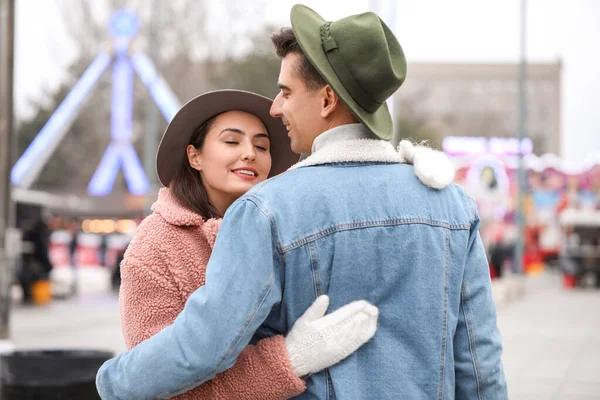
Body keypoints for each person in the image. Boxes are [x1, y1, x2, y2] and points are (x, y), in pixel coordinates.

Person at [97, 5, 507, 399]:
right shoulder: (453, 205)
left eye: (286, 92)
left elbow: (204, 347)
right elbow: (477, 358)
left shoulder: (268, 210)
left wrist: (113, 381)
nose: (276, 108)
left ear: (327, 100)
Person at [114, 89, 379, 400]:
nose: (250, 153)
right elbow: (160, 385)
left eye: (261, 146)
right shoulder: (156, 245)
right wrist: (290, 361)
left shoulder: (287, 229)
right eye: (231, 141)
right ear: (194, 156)